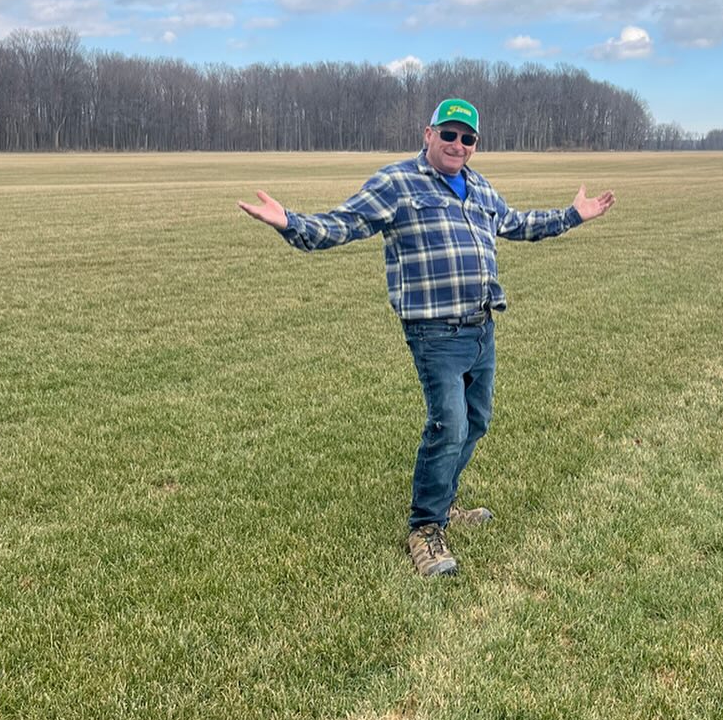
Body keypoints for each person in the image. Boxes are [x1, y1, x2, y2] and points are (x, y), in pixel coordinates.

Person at [238, 98, 615, 577]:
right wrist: (293, 223)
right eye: (450, 134)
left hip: (482, 326)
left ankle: (445, 503)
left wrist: (573, 215)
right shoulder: (397, 183)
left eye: (468, 138)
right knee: (448, 425)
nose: (458, 144)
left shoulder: (478, 188)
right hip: (434, 331)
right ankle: (425, 529)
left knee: (475, 423)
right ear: (428, 134)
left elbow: (516, 223)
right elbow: (346, 222)